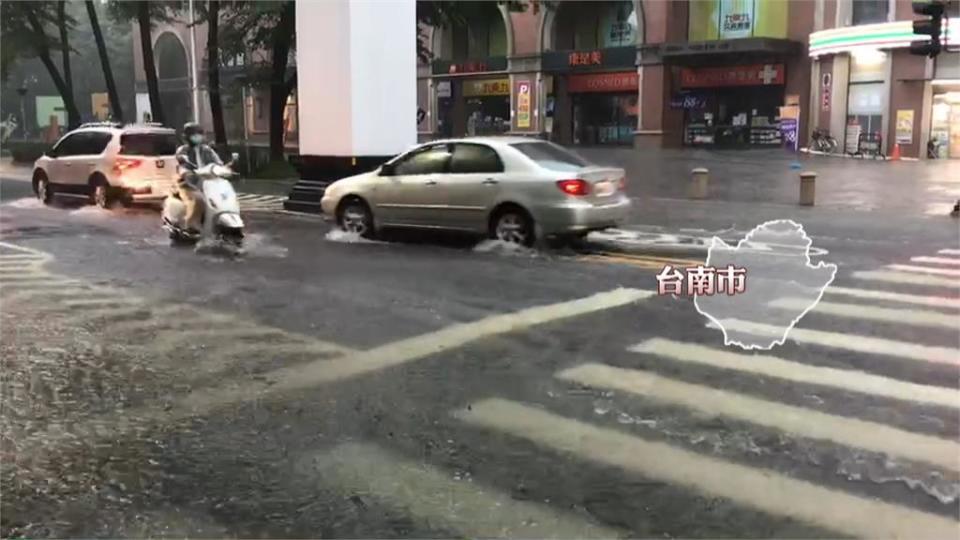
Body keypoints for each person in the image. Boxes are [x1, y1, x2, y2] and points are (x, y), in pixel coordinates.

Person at [175, 122, 223, 235]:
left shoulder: (207, 150)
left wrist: (223, 170)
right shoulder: (183, 150)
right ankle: (191, 226)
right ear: (187, 137)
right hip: (188, 185)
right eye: (194, 134)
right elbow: (180, 165)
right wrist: (185, 173)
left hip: (208, 183)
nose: (197, 137)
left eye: (199, 134)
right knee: (198, 199)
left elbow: (218, 163)